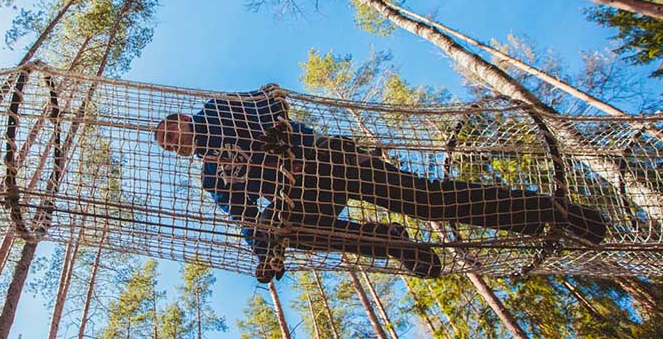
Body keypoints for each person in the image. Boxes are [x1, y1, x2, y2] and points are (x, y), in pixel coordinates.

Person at [155, 85, 607, 283]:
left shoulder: (217, 111)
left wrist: (275, 124)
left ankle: (551, 213)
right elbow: (247, 218)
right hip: (304, 195)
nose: (174, 144)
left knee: (428, 202)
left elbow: (268, 96)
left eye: (170, 134)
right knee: (289, 231)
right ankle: (390, 242)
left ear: (182, 119)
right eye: (169, 146)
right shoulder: (212, 176)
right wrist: (265, 254)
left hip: (332, 160)